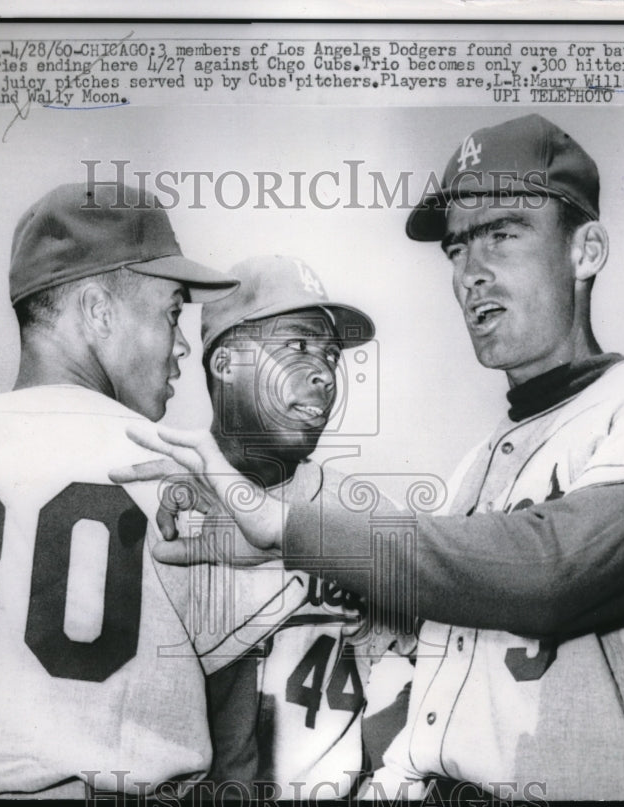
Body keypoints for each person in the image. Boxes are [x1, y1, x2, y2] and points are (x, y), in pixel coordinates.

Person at [112, 114, 624, 800]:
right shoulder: (473, 473)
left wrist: (287, 531)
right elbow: (434, 668)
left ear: (585, 250)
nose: (472, 272)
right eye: (457, 248)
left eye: (502, 234)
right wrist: (280, 560)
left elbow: (550, 570)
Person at [0, 181, 267, 798]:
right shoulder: (174, 477)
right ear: (99, 311)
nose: (183, 343)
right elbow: (235, 748)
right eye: (171, 313)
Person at [193, 255, 408, 799]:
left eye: (331, 355)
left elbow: (433, 668)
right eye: (297, 345)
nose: (325, 373)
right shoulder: (165, 505)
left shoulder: (362, 513)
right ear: (226, 363)